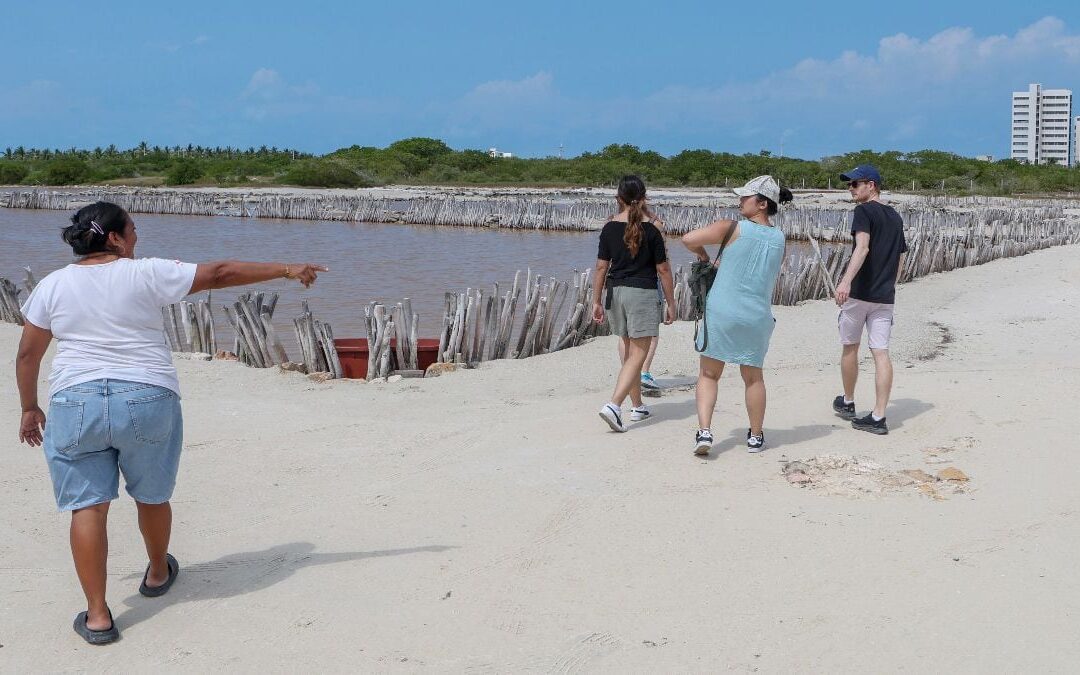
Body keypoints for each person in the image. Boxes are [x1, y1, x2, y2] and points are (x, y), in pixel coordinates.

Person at [15, 202, 327, 645]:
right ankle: (159, 573)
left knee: (88, 506)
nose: (138, 236)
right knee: (152, 494)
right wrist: (287, 269)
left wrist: (29, 407)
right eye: (134, 229)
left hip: (76, 399)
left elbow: (28, 354)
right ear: (116, 238)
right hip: (146, 396)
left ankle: (99, 616)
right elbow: (219, 273)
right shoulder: (146, 273)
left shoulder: (52, 284)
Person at [682, 176, 790, 455]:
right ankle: (755, 436)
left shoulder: (732, 227)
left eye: (746, 197)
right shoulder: (780, 238)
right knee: (753, 377)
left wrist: (705, 257)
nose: (740, 201)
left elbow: (688, 239)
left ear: (762, 203)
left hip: (722, 311)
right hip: (757, 315)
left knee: (708, 374)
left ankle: (704, 432)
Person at [592, 175, 676, 432]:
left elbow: (600, 268)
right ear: (644, 198)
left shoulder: (608, 228)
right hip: (641, 292)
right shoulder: (651, 229)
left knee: (629, 350)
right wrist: (671, 302)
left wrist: (595, 300)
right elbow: (662, 269)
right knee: (638, 354)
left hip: (615, 292)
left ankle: (637, 405)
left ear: (618, 198)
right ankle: (615, 405)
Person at [832, 165, 907, 434]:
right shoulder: (895, 216)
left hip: (860, 293)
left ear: (871, 185)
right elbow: (900, 259)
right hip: (885, 297)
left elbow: (862, 248)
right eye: (849, 184)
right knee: (881, 353)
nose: (850, 189)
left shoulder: (863, 211)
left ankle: (848, 401)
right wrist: (890, 286)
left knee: (850, 347)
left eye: (855, 184)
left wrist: (845, 281)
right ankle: (878, 417)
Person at [618, 214, 666, 391]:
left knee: (625, 334)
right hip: (647, 282)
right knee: (651, 334)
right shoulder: (655, 225)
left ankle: (628, 373)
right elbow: (662, 262)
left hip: (620, 283)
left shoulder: (614, 223)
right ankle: (643, 373)